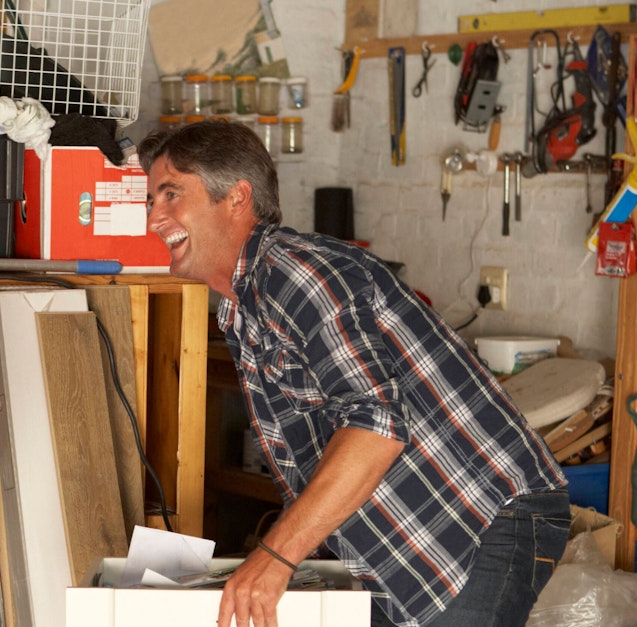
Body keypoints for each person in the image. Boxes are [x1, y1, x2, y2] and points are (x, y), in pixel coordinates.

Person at [140, 121, 568, 627]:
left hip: (479, 516)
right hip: (410, 532)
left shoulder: (293, 271)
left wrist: (276, 558)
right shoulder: (242, 309)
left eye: (171, 194)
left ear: (236, 197)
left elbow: (375, 424)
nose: (154, 219)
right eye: (151, 201)